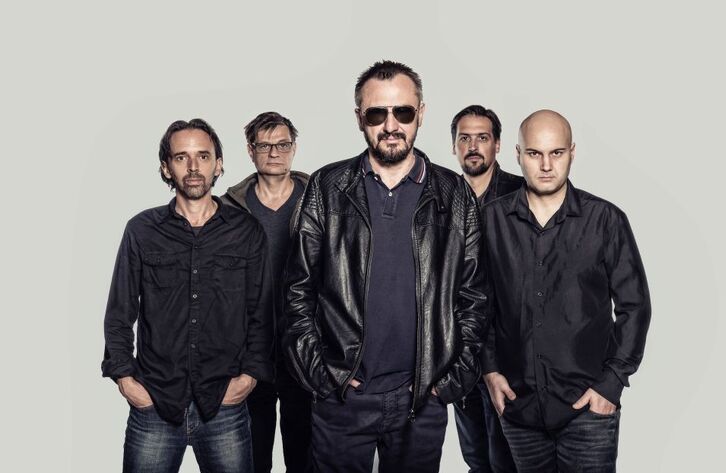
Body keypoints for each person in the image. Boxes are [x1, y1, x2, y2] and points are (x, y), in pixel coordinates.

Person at [282, 60, 490, 473]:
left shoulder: (454, 194)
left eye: (403, 112)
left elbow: (474, 298)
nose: (391, 125)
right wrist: (324, 376)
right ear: (359, 117)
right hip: (343, 397)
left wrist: (449, 381)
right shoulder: (327, 187)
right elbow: (296, 292)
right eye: (377, 113)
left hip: (422, 400)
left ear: (421, 114)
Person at [481, 110, 652, 473]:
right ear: (517, 154)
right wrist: (490, 370)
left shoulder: (605, 220)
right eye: (534, 153)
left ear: (572, 152)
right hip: (520, 408)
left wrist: (611, 384)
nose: (546, 166)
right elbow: (479, 305)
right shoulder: (490, 221)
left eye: (556, 153)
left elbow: (635, 306)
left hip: (589, 409)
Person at [102, 118, 274, 473]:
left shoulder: (246, 231)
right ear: (167, 167)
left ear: (218, 165)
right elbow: (119, 311)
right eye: (181, 157)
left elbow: (261, 312)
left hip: (224, 405)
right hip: (155, 404)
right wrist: (126, 380)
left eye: (203, 156)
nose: (194, 167)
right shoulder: (141, 230)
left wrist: (249, 377)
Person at [222, 111, 312, 473]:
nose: (274, 153)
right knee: (251, 459)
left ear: (294, 148)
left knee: (305, 459)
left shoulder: (319, 199)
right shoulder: (229, 208)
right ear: (250, 150)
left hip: (305, 350)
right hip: (249, 353)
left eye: (283, 145)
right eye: (264, 145)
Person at [450, 104, 522, 473]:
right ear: (454, 146)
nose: (473, 146)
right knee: (476, 457)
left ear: (497, 144)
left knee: (507, 458)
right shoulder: (443, 197)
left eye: (482, 137)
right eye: (465, 138)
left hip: (509, 353)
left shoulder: (520, 193)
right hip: (461, 351)